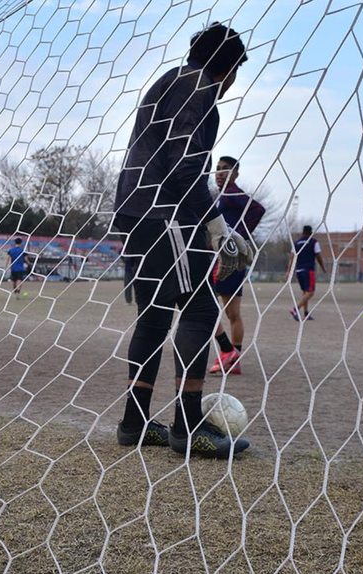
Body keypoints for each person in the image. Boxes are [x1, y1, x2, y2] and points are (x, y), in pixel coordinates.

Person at [113, 22, 252, 458]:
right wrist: (217, 226)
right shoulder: (199, 89)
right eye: (236, 71)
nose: (233, 83)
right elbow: (184, 167)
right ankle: (188, 427)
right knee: (200, 308)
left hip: (136, 210)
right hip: (165, 213)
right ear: (227, 67)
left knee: (154, 317)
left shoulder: (169, 80)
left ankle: (135, 423)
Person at [209, 156, 265, 376]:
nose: (220, 173)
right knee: (233, 313)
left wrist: (236, 236)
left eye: (226, 169)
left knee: (201, 305)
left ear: (235, 174)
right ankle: (234, 359)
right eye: (218, 169)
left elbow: (257, 210)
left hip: (227, 258)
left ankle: (227, 352)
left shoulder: (232, 192)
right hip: (233, 257)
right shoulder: (223, 196)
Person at [289, 225, 326, 321]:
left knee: (305, 292)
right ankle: (295, 309)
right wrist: (323, 267)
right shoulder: (313, 242)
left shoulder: (297, 243)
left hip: (299, 270)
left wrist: (288, 271)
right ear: (311, 233)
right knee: (310, 293)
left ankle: (306, 314)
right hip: (308, 270)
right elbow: (318, 256)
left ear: (302, 232)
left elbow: (292, 257)